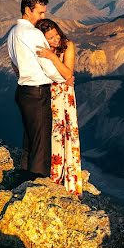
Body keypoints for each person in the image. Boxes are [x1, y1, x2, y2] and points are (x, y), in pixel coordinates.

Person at [7, 0, 65, 181]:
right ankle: (38, 180)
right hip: (37, 90)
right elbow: (47, 64)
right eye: (40, 13)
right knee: (41, 139)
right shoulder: (34, 33)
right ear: (27, 10)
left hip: (22, 91)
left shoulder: (12, 33)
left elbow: (14, 62)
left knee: (30, 137)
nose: (42, 18)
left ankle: (24, 176)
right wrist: (62, 77)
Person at [35, 18, 83, 197]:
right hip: (49, 94)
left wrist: (52, 57)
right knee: (52, 134)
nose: (55, 40)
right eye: (51, 38)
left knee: (67, 133)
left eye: (56, 35)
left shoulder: (67, 45)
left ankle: (69, 178)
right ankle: (53, 173)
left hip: (63, 95)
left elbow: (68, 73)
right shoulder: (41, 48)